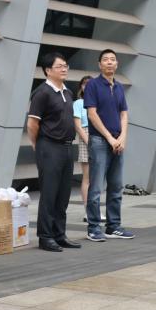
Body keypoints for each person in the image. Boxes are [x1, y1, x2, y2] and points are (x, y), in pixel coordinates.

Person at [26, 52, 80, 253]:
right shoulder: (42, 93)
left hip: (66, 147)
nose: (64, 69)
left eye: (66, 65)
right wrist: (37, 145)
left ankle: (59, 234)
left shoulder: (68, 92)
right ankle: (46, 237)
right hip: (49, 146)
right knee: (49, 193)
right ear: (48, 70)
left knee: (63, 194)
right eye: (60, 66)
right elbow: (32, 124)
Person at [84, 49, 135, 242]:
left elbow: (124, 114)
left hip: (117, 141)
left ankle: (113, 226)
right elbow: (92, 114)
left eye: (113, 59)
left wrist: (122, 137)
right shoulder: (93, 85)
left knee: (116, 186)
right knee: (96, 187)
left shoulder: (119, 87)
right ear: (99, 65)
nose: (109, 62)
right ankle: (93, 228)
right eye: (105, 59)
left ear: (117, 64)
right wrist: (109, 138)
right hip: (99, 141)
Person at [74, 75, 92, 223]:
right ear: (81, 87)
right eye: (85, 84)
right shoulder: (79, 103)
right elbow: (78, 126)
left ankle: (95, 209)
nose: (87, 86)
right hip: (86, 136)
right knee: (87, 177)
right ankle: (88, 211)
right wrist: (88, 142)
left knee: (96, 178)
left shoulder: (97, 103)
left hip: (98, 136)